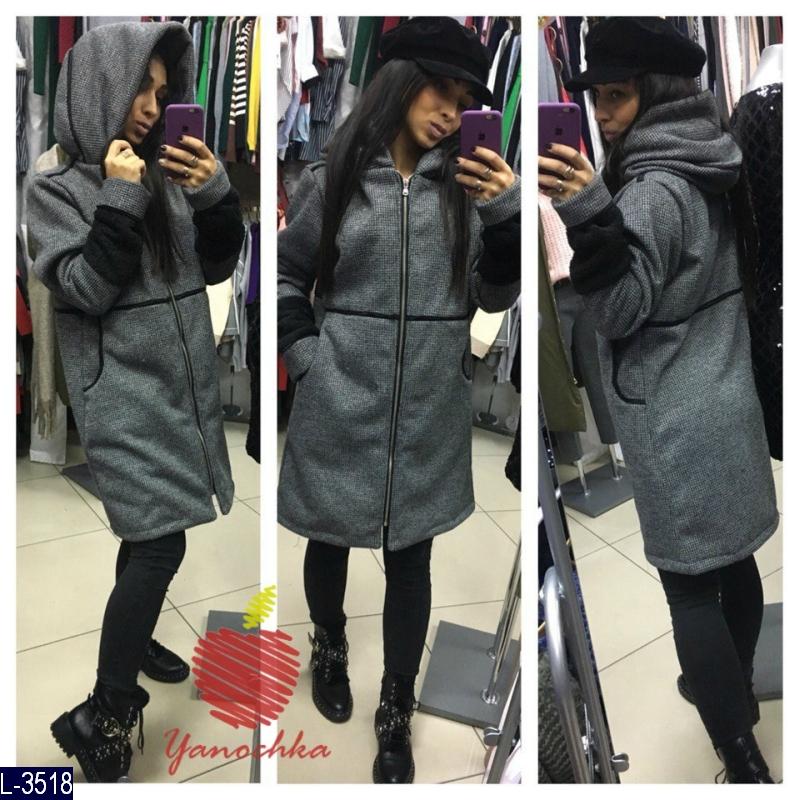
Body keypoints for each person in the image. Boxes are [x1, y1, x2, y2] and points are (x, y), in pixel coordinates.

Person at [278, 17, 520, 784]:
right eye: (438, 90)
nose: (451, 111)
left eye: (465, 100)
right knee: (329, 538)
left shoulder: (468, 190)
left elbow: (493, 295)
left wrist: (505, 217)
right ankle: (329, 643)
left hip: (427, 412)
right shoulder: (334, 178)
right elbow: (286, 274)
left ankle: (395, 704)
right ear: (398, 82)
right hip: (339, 397)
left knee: (411, 560)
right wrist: (307, 359)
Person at [537, 17, 778, 783]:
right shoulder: (711, 155)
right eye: (597, 97)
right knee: (735, 564)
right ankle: (736, 688)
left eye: (617, 96)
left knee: (689, 591)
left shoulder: (652, 189)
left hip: (672, 416)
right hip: (725, 394)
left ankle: (739, 755)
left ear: (658, 93)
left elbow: (616, 312)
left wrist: (587, 213)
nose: (602, 113)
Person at [26, 22, 245, 783]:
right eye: (137, 89)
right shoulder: (53, 188)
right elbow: (85, 288)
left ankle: (136, 632)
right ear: (98, 88)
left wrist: (213, 192)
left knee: (149, 533)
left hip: (180, 391)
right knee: (161, 544)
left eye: (160, 89)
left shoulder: (165, 171)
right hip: (122, 398)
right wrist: (119, 196)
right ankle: (105, 712)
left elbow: (217, 264)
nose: (153, 106)